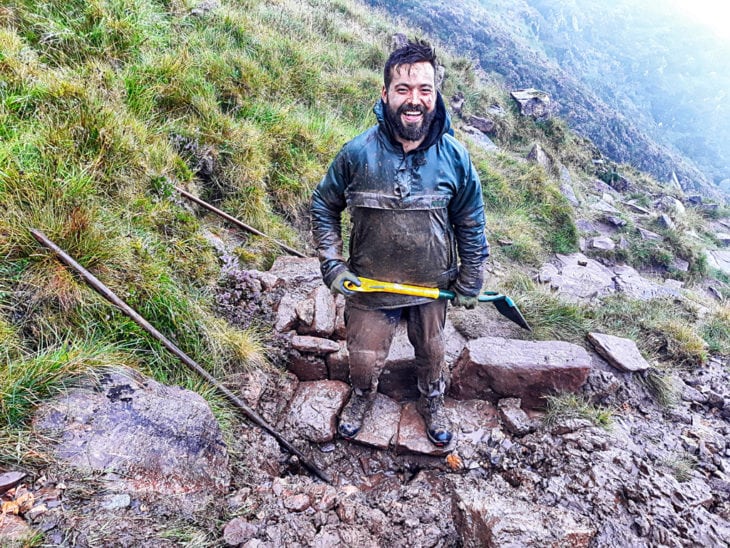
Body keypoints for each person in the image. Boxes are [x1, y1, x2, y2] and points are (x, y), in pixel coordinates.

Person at [310, 38, 489, 447]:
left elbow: (471, 220)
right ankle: (362, 396)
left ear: (436, 94)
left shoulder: (456, 158)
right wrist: (333, 266)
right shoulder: (356, 153)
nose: (414, 100)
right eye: (403, 89)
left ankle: (432, 400)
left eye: (424, 90)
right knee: (364, 357)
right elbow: (323, 204)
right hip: (370, 286)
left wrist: (471, 277)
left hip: (432, 286)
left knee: (431, 351)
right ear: (385, 93)